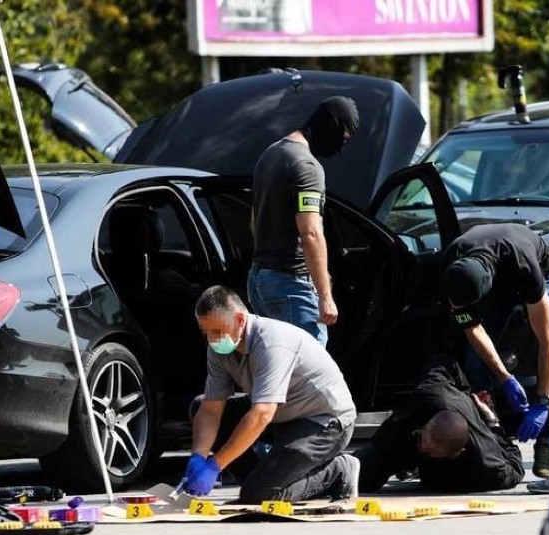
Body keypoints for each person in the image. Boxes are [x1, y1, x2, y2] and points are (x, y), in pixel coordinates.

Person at [179, 285, 359, 503]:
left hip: (323, 423)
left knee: (260, 497)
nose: (212, 339)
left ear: (239, 320)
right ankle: (260, 480)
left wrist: (215, 465)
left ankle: (340, 471)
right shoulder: (219, 347)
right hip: (281, 416)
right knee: (199, 405)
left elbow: (262, 413)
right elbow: (210, 409)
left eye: (217, 331)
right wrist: (198, 457)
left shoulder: (272, 343)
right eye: (205, 332)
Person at [441, 223, 549, 479]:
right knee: (475, 361)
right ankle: (492, 440)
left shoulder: (524, 265)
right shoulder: (452, 266)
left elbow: (548, 342)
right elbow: (472, 328)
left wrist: (542, 402)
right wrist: (505, 377)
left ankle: (546, 442)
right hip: (489, 279)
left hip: (541, 272)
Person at [247, 96, 359, 347]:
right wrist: (325, 295)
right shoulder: (307, 166)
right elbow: (310, 233)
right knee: (309, 372)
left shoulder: (271, 153)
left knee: (279, 369)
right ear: (332, 126)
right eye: (344, 138)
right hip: (290, 285)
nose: (341, 146)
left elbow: (254, 221)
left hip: (259, 280)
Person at [354, 356, 525, 493]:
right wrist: (466, 391)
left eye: (429, 450)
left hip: (452, 470)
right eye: (423, 440)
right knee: (358, 477)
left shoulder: (485, 461)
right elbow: (444, 363)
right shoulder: (432, 394)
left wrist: (493, 422)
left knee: (442, 482)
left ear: (458, 452)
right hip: (406, 431)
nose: (423, 449)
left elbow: (516, 468)